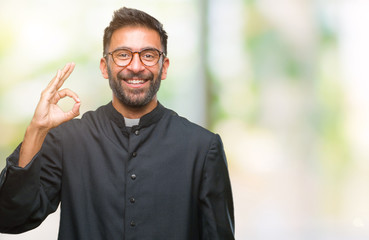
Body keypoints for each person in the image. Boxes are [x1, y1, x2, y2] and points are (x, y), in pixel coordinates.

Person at [0, 7, 234, 240]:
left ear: (164, 67)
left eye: (149, 55)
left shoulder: (202, 148)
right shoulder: (68, 140)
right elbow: (10, 218)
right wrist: (36, 130)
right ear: (105, 66)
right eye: (123, 54)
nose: (135, 66)